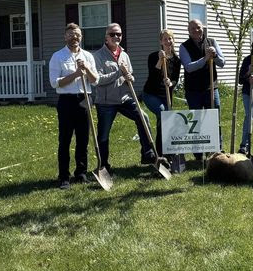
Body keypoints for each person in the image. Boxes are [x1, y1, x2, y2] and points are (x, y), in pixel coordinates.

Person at [93, 22, 157, 175]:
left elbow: (129, 74)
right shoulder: (98, 56)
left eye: (119, 34)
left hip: (125, 98)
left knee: (144, 118)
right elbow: (98, 80)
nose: (116, 37)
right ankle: (104, 165)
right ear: (106, 37)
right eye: (112, 34)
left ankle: (147, 154)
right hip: (106, 102)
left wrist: (130, 77)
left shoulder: (124, 54)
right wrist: (118, 73)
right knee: (103, 135)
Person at [49, 23, 99, 190]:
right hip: (66, 101)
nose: (74, 38)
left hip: (85, 99)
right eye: (70, 35)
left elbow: (95, 80)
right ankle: (64, 177)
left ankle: (81, 173)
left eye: (76, 35)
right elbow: (55, 83)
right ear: (65, 37)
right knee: (64, 140)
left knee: (83, 139)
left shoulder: (88, 56)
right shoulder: (57, 57)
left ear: (81, 37)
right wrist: (76, 74)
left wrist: (86, 69)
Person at [179, 19, 225, 152]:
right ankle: (198, 152)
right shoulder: (184, 46)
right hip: (193, 91)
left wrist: (214, 55)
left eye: (198, 27)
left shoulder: (212, 42)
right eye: (192, 28)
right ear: (188, 31)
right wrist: (205, 58)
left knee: (214, 119)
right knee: (196, 121)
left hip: (211, 88)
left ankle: (216, 149)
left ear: (203, 28)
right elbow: (189, 67)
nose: (196, 30)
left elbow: (222, 63)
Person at [142, 29, 181, 155]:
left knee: (165, 121)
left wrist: (170, 83)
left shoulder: (176, 60)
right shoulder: (153, 56)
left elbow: (175, 79)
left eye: (170, 38)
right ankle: (160, 151)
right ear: (161, 42)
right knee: (164, 115)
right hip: (150, 94)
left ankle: (164, 152)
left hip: (166, 95)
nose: (168, 41)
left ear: (173, 41)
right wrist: (160, 60)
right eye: (165, 39)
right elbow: (152, 76)